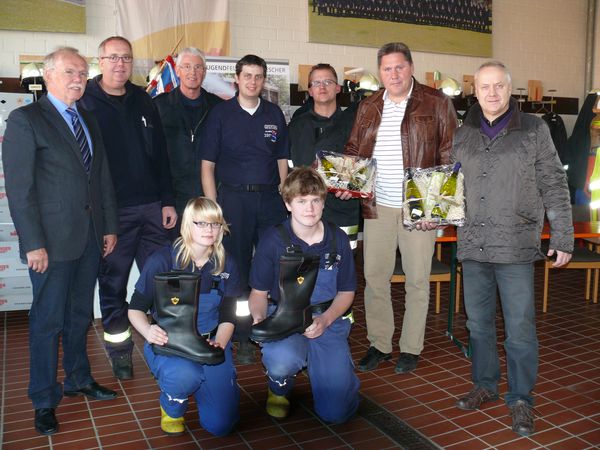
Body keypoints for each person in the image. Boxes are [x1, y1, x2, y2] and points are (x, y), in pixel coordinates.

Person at [452, 61, 573, 436]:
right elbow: (446, 184)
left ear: (510, 90)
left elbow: (554, 183)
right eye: (485, 87)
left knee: (520, 328)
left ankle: (521, 397)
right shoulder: (462, 132)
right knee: (477, 323)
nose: (491, 93)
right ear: (476, 91)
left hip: (516, 245)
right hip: (473, 244)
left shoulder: (534, 130)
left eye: (499, 87)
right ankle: (485, 384)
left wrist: (563, 235)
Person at [2, 47, 119, 435]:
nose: (79, 79)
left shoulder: (87, 118)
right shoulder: (25, 120)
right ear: (48, 75)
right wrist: (32, 242)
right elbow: (20, 189)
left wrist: (109, 227)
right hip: (50, 244)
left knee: (79, 317)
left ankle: (78, 380)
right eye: (71, 72)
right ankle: (43, 398)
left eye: (84, 73)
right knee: (47, 322)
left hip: (88, 237)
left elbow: (100, 178)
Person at [344, 42, 457, 374]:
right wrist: (346, 183)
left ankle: (411, 347)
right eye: (387, 68)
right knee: (375, 278)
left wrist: (436, 211)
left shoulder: (437, 102)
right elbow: (354, 149)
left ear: (411, 67)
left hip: (418, 208)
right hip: (377, 206)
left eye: (399, 67)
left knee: (417, 280)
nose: (393, 74)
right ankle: (380, 344)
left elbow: (449, 155)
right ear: (380, 71)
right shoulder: (368, 106)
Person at [79, 36, 177, 380]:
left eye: (126, 58)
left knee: (163, 281)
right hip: (112, 213)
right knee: (114, 283)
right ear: (100, 61)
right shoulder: (84, 101)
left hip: (152, 208)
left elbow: (161, 155)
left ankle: (170, 343)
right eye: (113, 58)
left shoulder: (143, 100)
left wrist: (167, 199)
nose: (120, 64)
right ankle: (120, 350)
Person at [248, 167, 359, 422]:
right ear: (288, 204)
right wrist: (259, 319)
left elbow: (346, 292)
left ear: (323, 203)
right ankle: (278, 387)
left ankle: (335, 370)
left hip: (327, 321)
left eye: (315, 201)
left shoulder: (338, 239)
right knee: (280, 360)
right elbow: (258, 293)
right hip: (285, 318)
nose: (309, 209)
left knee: (336, 414)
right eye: (301, 201)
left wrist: (326, 320)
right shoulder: (272, 240)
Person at [201, 54, 289, 363]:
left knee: (272, 263)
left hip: (269, 201)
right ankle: (242, 336)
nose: (252, 81)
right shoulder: (220, 114)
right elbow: (207, 166)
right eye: (247, 76)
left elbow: (281, 159)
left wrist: (285, 194)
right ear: (237, 79)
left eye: (258, 76)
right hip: (233, 201)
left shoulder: (274, 114)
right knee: (235, 268)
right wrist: (214, 209)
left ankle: (269, 324)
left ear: (264, 81)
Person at [128, 197, 241, 436]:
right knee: (184, 376)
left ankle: (205, 385)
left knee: (221, 426)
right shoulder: (162, 260)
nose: (209, 230)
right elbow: (135, 308)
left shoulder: (226, 263)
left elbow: (229, 313)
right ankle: (172, 404)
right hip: (172, 343)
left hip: (210, 341)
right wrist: (148, 331)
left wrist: (219, 344)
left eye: (215, 224)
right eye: (201, 223)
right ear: (187, 225)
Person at [288, 63, 360, 249]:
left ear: (338, 88)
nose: (322, 86)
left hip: (344, 208)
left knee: (343, 264)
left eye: (328, 81)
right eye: (316, 82)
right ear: (310, 90)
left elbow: (362, 167)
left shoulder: (355, 125)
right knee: (306, 268)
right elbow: (288, 169)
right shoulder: (296, 127)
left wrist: (354, 187)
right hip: (306, 209)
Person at [154, 47, 223, 235]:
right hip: (172, 201)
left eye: (198, 67)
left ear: (205, 72)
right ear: (177, 70)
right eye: (186, 66)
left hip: (209, 197)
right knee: (175, 257)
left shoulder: (219, 108)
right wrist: (163, 200)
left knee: (208, 256)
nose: (192, 72)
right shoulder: (159, 106)